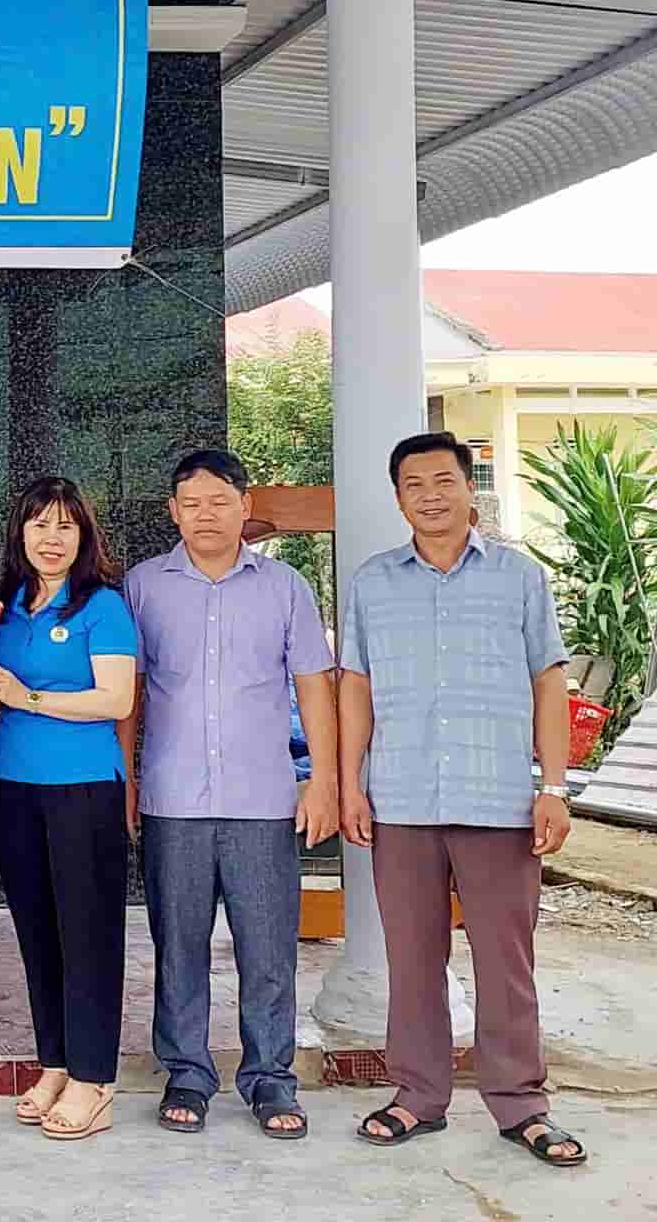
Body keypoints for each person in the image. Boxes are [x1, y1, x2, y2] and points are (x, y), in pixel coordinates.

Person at [341, 432, 587, 1168]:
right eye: (413, 484)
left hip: (499, 800)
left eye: (443, 480)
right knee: (411, 958)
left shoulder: (519, 577)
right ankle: (417, 1096)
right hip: (403, 800)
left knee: (505, 960)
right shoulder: (373, 582)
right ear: (398, 498)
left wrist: (554, 786)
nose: (430, 495)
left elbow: (550, 681)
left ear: (468, 487)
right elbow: (356, 683)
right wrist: (352, 782)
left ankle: (521, 1105)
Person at [121, 449, 338, 1140]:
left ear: (246, 508)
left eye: (220, 500)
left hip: (263, 798)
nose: (206, 514)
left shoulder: (285, 588)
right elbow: (129, 694)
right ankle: (186, 1072)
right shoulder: (143, 585)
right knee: (177, 945)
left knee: (267, 947)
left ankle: (270, 1078)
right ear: (172, 512)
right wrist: (125, 780)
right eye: (191, 502)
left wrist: (324, 781)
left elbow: (314, 686)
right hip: (171, 798)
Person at [0, 476, 136, 1143]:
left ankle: (95, 1080)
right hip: (15, 789)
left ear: (83, 536)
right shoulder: (0, 606)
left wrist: (22, 694)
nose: (52, 538)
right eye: (40, 524)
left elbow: (115, 700)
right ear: (21, 533)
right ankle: (57, 1064)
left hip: (84, 790)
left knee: (88, 936)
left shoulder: (103, 607)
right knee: (39, 935)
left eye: (66, 526)